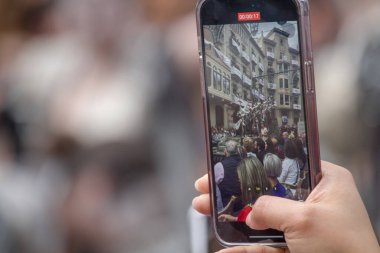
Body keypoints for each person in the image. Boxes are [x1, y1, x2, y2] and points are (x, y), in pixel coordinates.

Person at [192, 161, 380, 253]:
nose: (238, 182)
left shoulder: (258, 206)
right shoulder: (277, 194)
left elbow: (247, 217)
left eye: (240, 179)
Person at [218, 157, 270, 222]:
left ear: (247, 183)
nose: (240, 186)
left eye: (240, 181)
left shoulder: (249, 210)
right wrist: (234, 219)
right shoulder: (269, 199)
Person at [214, 140, 243, 212]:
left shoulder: (219, 166)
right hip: (244, 205)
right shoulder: (245, 162)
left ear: (225, 151)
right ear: (237, 151)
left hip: (227, 208)